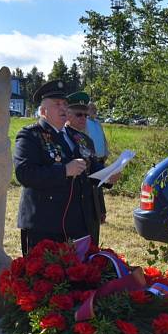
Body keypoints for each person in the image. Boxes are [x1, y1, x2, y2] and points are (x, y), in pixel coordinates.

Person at [14, 81, 113, 255]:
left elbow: (91, 168)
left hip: (78, 223)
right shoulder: (31, 136)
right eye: (57, 104)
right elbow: (25, 174)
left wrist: (109, 175)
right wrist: (64, 171)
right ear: (43, 112)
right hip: (45, 225)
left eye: (65, 104)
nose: (63, 108)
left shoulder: (78, 137)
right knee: (45, 279)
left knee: (79, 277)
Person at [65, 92, 118, 244]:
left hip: (89, 199)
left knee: (92, 242)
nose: (84, 119)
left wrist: (109, 176)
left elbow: (94, 168)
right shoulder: (62, 137)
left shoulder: (86, 140)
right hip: (72, 203)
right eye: (79, 115)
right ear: (67, 114)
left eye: (85, 115)